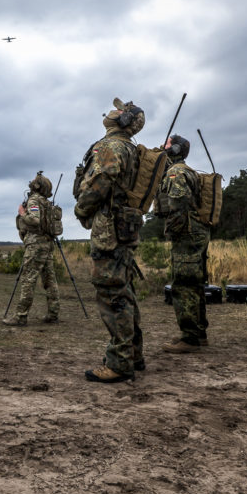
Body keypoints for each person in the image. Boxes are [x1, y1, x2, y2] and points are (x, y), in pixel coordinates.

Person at [73, 98, 147, 382]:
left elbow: (100, 183)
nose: (112, 111)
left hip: (109, 231)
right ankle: (133, 354)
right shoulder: (129, 148)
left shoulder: (110, 147)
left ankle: (119, 363)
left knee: (112, 294)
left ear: (124, 120)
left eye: (119, 110)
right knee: (124, 291)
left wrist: (81, 209)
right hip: (124, 228)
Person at [158, 134, 210, 353]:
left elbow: (179, 204)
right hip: (196, 232)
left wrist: (172, 231)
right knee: (195, 283)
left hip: (187, 234)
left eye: (167, 144)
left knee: (184, 284)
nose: (162, 146)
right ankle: (199, 333)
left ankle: (190, 338)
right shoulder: (187, 171)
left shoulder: (176, 173)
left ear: (176, 149)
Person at [2, 172, 61, 326]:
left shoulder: (34, 200)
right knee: (50, 280)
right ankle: (53, 314)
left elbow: (34, 220)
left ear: (36, 186)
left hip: (35, 245)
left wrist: (22, 214)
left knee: (28, 280)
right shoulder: (47, 203)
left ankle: (21, 316)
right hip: (48, 244)